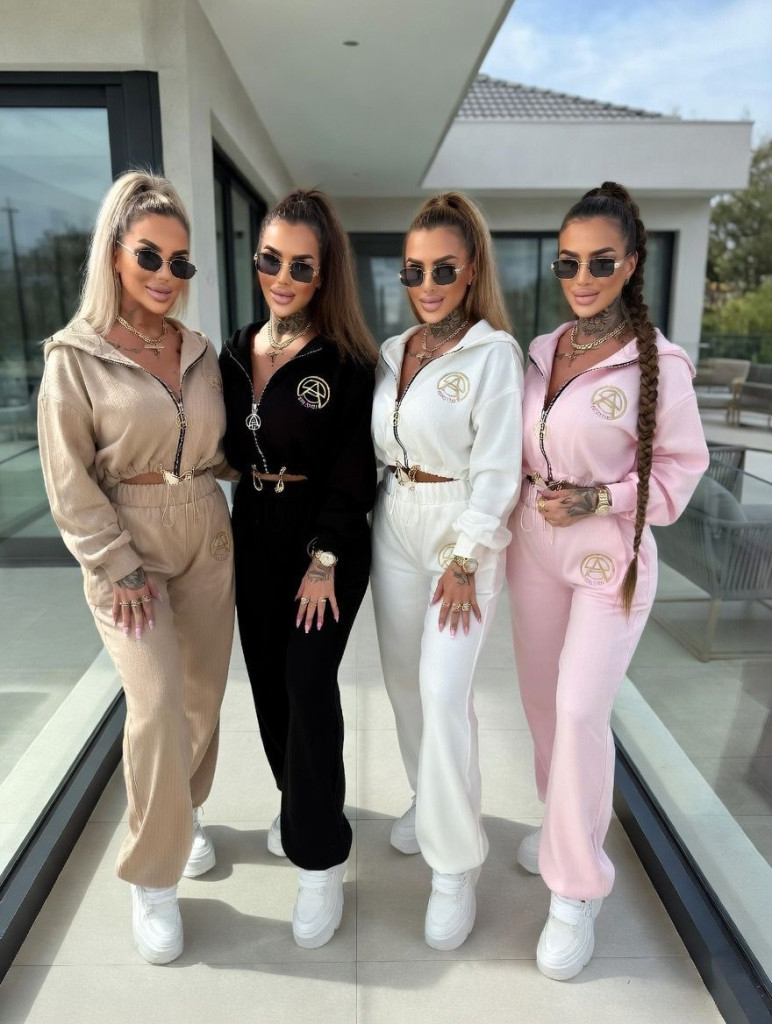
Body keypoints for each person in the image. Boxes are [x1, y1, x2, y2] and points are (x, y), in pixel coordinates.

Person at [506, 181, 709, 980]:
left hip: (607, 560)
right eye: (568, 262)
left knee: (580, 709)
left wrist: (600, 498)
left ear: (629, 264)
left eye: (600, 262)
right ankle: (563, 826)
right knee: (539, 705)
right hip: (533, 551)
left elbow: (678, 477)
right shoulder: (543, 349)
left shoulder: (660, 365)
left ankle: (576, 887)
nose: (582, 277)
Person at [37, 171, 235, 964]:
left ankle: (183, 814)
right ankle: (152, 878)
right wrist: (115, 565)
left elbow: (223, 446)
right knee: (154, 705)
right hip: (127, 539)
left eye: (180, 262)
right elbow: (67, 477)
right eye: (150, 255)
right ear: (115, 252)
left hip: (206, 530)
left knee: (201, 697)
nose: (165, 274)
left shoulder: (198, 350)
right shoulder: (75, 357)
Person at [219, 189, 377, 949]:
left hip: (324, 542)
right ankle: (299, 802)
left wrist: (325, 559)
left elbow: (354, 472)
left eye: (301, 266)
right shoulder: (234, 348)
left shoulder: (346, 363)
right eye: (270, 260)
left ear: (324, 273)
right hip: (252, 530)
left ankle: (321, 860)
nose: (282, 277)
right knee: (268, 683)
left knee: (309, 682)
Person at [370, 192, 524, 950]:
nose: (426, 285)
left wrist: (467, 555)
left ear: (470, 272)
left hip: (459, 529)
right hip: (394, 517)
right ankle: (425, 796)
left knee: (444, 690)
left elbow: (499, 468)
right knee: (404, 682)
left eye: (443, 270)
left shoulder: (494, 355)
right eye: (414, 270)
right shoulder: (394, 352)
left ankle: (455, 865)